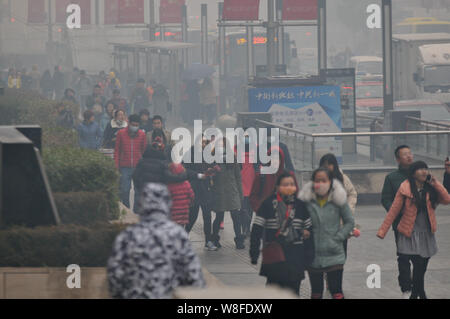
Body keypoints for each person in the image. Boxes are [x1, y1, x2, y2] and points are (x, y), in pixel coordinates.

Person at [107, 183, 205, 299]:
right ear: (167, 203)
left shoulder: (128, 235)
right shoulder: (177, 235)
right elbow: (194, 276)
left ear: (142, 204)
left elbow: (115, 273)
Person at [377, 161, 450, 299]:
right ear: (413, 173)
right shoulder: (405, 188)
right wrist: (383, 230)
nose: (424, 171)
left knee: (421, 268)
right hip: (410, 232)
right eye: (420, 169)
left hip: (426, 233)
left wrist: (435, 182)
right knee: (417, 265)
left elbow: (447, 199)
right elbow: (394, 210)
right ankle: (419, 294)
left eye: (425, 169)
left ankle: (416, 293)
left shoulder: (431, 187)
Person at [250, 172, 314, 295]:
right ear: (277, 187)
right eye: (285, 184)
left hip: (295, 257)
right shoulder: (267, 204)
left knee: (293, 292)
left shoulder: (301, 205)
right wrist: (254, 252)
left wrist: (309, 256)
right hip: (275, 258)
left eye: (291, 184)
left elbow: (310, 230)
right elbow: (256, 229)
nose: (289, 187)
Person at [298, 168, 355, 299]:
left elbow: (349, 222)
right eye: (317, 180)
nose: (320, 183)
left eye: (324, 180)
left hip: (334, 252)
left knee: (337, 292)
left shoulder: (338, 199)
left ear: (330, 182)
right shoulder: (306, 201)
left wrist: (339, 237)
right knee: (316, 292)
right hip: (313, 253)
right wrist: (303, 231)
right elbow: (297, 220)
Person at [380, 145, 414, 298]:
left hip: (420, 225)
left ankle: (418, 286)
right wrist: (396, 211)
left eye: (410, 153)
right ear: (398, 159)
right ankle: (406, 288)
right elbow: (385, 199)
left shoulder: (420, 174)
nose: (409, 156)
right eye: (405, 154)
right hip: (401, 225)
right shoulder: (392, 178)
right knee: (404, 257)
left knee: (420, 259)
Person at [210, 137, 245, 249]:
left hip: (232, 191)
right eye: (219, 144)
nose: (221, 146)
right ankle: (214, 239)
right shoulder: (212, 158)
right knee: (219, 216)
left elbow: (238, 177)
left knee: (236, 216)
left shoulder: (232, 158)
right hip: (219, 192)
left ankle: (239, 240)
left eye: (223, 144)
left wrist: (240, 193)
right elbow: (208, 176)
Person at [184, 135, 216, 250]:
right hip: (195, 189)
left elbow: (214, 167)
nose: (204, 145)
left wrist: (212, 171)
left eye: (205, 142)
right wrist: (198, 175)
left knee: (207, 216)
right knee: (192, 216)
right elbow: (185, 170)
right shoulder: (190, 153)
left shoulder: (209, 154)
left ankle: (208, 241)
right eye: (202, 142)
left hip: (206, 189)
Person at [114, 114, 147, 210]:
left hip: (138, 167)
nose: (135, 127)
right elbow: (117, 150)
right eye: (133, 124)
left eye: (137, 125)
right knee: (124, 190)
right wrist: (116, 165)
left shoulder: (142, 134)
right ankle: (126, 209)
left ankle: (136, 211)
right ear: (129, 123)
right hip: (124, 166)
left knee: (138, 191)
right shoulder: (121, 133)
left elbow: (144, 150)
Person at [167, 163, 195, 228]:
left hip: (172, 214)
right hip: (183, 213)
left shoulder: (169, 185)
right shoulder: (186, 183)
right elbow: (192, 196)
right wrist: (189, 203)